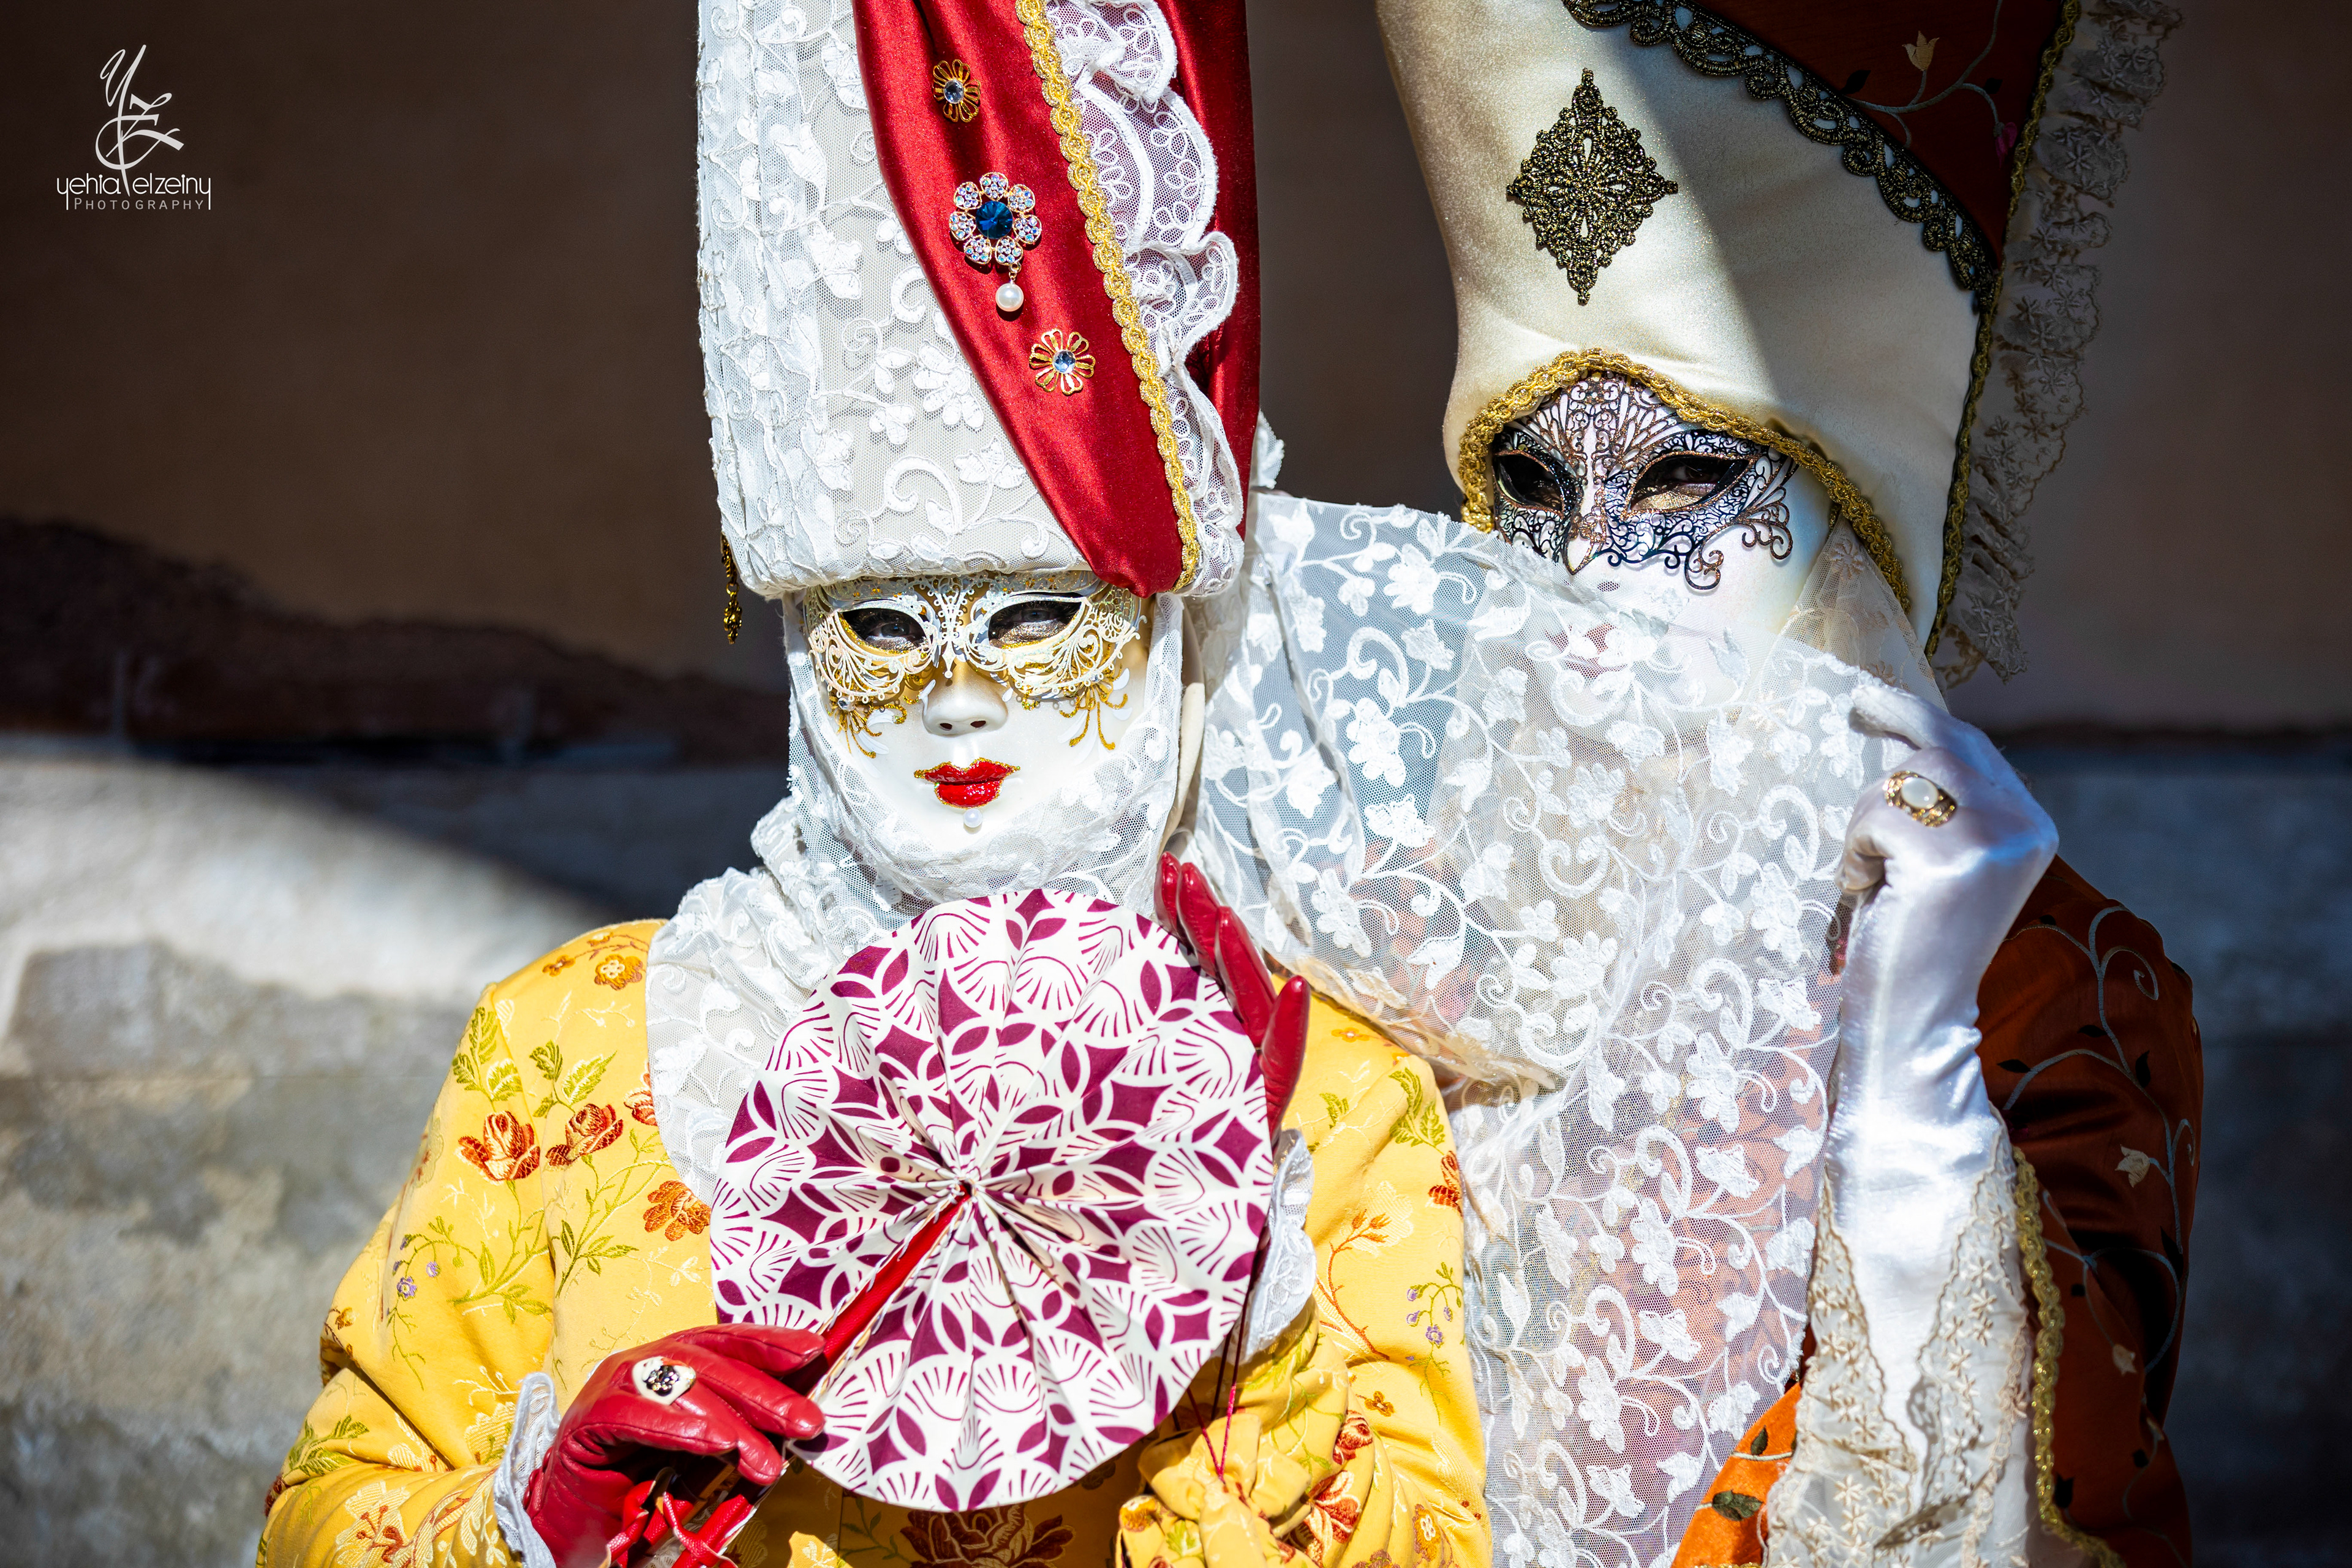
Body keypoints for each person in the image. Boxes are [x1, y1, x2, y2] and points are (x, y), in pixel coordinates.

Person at [255, 0, 1491, 1564]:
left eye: (1036, 615)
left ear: (1161, 629)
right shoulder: (572, 1052)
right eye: (880, 623)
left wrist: (1248, 1298)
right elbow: (323, 1517)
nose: (956, 690)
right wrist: (542, 1523)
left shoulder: (1323, 1098)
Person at [1179, 2, 2195, 1565]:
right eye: (1530, 483)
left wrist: (1911, 1049)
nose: (1587, 568)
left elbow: (2024, 1529)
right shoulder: (1391, 921)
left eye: (1682, 479)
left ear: (1851, 521)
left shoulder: (2055, 990)